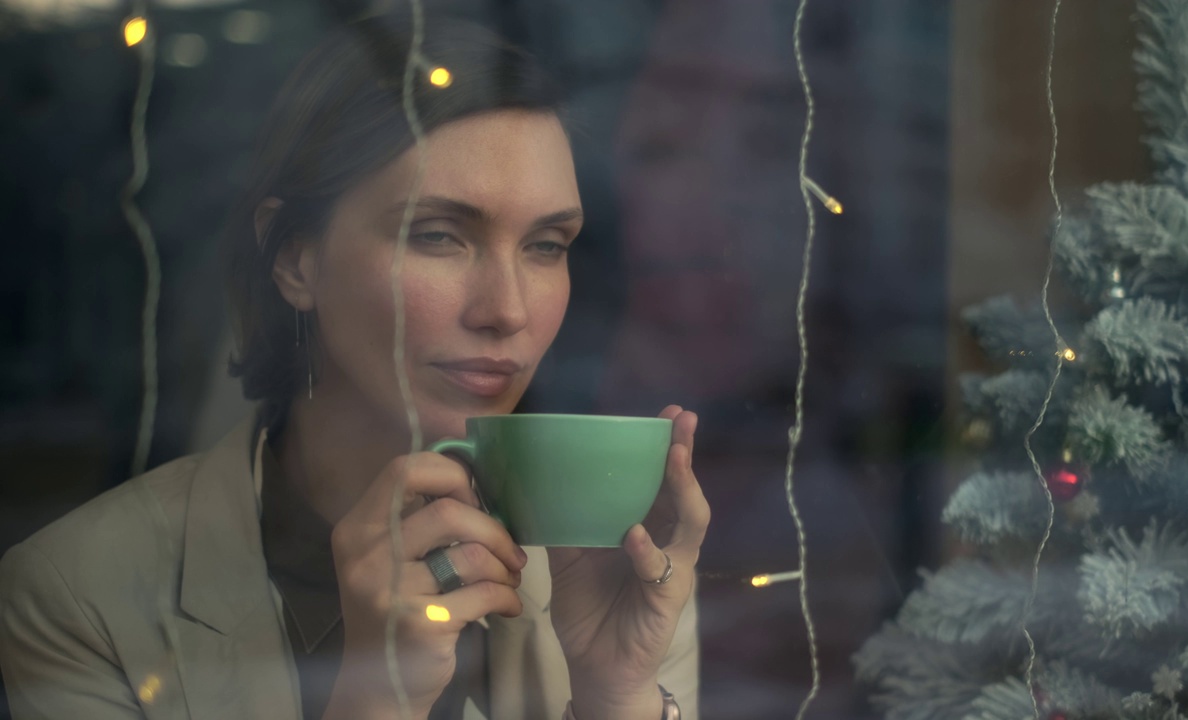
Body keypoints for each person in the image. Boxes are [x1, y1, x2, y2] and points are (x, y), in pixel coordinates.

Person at [0, 14, 708, 720]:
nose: (509, 310)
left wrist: (619, 697)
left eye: (547, 245)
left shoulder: (608, 568)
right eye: (438, 236)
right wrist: (372, 698)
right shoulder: (78, 594)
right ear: (294, 259)